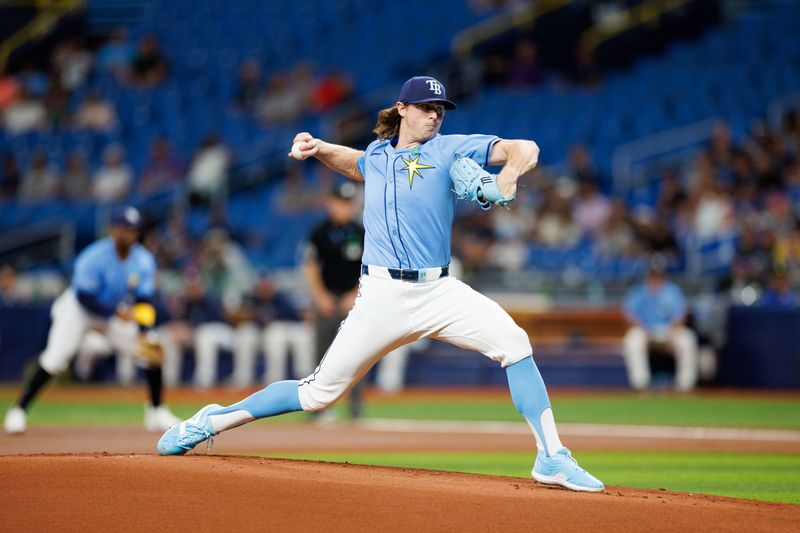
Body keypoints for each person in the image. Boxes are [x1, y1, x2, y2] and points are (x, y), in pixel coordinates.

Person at [157, 76, 604, 493]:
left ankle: (551, 456)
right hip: (381, 296)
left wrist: (506, 177)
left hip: (439, 291)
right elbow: (354, 163)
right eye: (426, 107)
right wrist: (318, 148)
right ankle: (210, 422)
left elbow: (525, 147)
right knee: (317, 394)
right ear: (402, 108)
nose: (434, 115)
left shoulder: (450, 149)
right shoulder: (377, 156)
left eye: (440, 109)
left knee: (515, 342)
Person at [3, 206, 181, 434]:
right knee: (56, 358)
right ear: (113, 230)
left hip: (112, 313)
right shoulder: (94, 256)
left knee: (150, 348)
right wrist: (116, 311)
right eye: (125, 228)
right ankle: (18, 410)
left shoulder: (144, 260)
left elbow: (144, 299)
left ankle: (156, 412)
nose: (130, 234)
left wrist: (145, 330)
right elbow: (84, 297)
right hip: (78, 310)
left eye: (134, 229)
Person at [622, 256, 699, 391]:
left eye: (658, 272)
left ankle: (685, 385)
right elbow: (629, 317)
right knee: (633, 339)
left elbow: (681, 316)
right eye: (652, 272)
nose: (655, 275)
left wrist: (672, 329)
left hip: (669, 331)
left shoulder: (672, 291)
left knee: (687, 339)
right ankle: (640, 384)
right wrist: (642, 327)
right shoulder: (639, 291)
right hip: (646, 331)